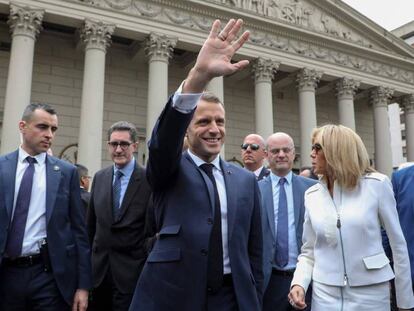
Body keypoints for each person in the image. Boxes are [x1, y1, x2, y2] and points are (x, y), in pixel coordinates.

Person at [129, 19, 263, 311]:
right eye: (203, 121)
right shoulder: (169, 168)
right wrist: (199, 77)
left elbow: (254, 253)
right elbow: (162, 142)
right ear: (186, 131)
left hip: (231, 299)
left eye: (220, 121)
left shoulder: (245, 181)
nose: (214, 129)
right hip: (174, 297)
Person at [288, 124, 414, 311]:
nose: (311, 154)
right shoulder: (311, 194)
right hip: (323, 294)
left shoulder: (377, 185)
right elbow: (308, 251)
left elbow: (398, 246)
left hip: (371, 293)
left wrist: (405, 302)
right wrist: (298, 283)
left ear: (336, 150)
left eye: (317, 148)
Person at [0, 103, 91, 310]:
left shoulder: (66, 173)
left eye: (53, 129)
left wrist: (83, 287)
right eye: (42, 127)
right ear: (22, 126)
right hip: (6, 275)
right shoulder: (2, 167)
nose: (49, 134)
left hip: (48, 276)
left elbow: (79, 233)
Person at [87, 121, 152, 311]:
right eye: (113, 144)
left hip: (132, 276)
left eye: (124, 144)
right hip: (99, 276)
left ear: (135, 145)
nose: (118, 149)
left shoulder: (149, 179)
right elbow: (90, 227)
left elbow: (151, 229)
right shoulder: (100, 177)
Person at [259, 132, 316, 311]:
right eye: (275, 151)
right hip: (270, 282)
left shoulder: (313, 189)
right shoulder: (254, 189)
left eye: (286, 150)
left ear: (294, 154)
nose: (281, 155)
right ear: (266, 154)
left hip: (307, 280)